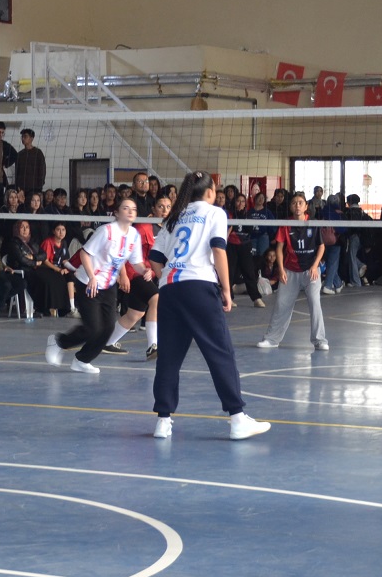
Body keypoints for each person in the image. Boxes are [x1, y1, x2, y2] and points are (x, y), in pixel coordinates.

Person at [145, 171, 271, 441]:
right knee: (220, 352)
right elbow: (218, 250)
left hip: (169, 289)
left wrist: (168, 277)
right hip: (199, 288)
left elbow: (155, 258)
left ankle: (163, 422)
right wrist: (226, 290)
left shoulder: (174, 217)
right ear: (211, 192)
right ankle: (238, 418)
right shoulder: (215, 213)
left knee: (169, 358)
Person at [46, 198, 144, 374]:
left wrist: (151, 271)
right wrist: (92, 277)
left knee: (107, 329)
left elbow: (136, 263)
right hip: (88, 283)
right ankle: (59, 341)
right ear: (117, 212)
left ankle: (82, 360)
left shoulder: (134, 236)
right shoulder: (105, 231)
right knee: (93, 328)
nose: (130, 211)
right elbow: (84, 254)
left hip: (109, 286)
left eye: (133, 209)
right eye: (125, 208)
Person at [257, 192, 328, 350]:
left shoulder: (313, 224)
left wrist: (315, 266)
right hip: (290, 270)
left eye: (300, 202)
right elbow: (280, 248)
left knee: (315, 303)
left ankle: (320, 340)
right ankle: (272, 340)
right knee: (282, 304)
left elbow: (321, 247)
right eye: (294, 203)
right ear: (290, 206)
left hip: (310, 271)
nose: (297, 205)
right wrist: (281, 269)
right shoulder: (286, 224)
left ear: (306, 206)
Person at [102, 194, 165, 358]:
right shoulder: (143, 228)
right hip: (133, 271)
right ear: (153, 209)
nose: (165, 210)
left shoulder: (168, 230)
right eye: (160, 206)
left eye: (168, 207)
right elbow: (124, 252)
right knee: (156, 298)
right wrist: (122, 273)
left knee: (135, 314)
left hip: (145, 271)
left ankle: (107, 342)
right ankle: (153, 345)